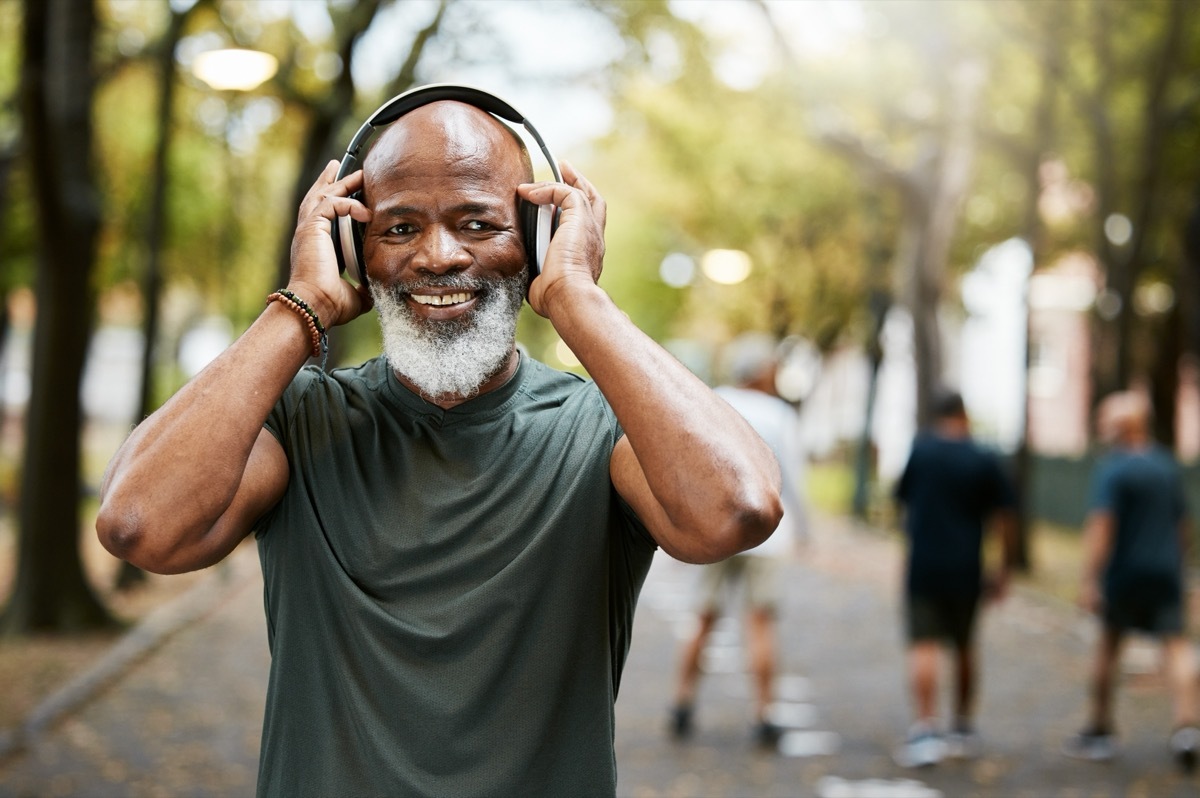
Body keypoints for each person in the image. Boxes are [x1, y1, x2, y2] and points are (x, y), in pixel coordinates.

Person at [95, 87, 783, 798]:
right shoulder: (298, 420)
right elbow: (140, 525)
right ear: (352, 251)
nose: (438, 256)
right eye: (397, 229)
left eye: (477, 222)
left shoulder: (605, 429)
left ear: (537, 239)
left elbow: (737, 509)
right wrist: (303, 305)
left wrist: (576, 296)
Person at [667, 333, 809, 748]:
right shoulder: (780, 413)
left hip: (716, 530)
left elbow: (690, 465)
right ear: (764, 371)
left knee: (702, 618)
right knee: (760, 623)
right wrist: (806, 531)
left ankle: (682, 702)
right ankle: (764, 713)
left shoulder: (710, 400)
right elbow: (794, 479)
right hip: (767, 533)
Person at [1061, 391, 1198, 772]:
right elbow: (1181, 525)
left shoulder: (1113, 469)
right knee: (1175, 646)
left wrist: (1090, 579)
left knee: (1108, 645)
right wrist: (1181, 568)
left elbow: (1102, 525)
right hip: (1165, 570)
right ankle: (1186, 727)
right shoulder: (1166, 466)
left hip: (1124, 574)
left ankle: (1100, 728)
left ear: (1121, 427)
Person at [892, 389, 1017, 768]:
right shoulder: (983, 458)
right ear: (964, 415)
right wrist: (1003, 567)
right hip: (966, 566)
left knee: (923, 644)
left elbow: (902, 502)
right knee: (964, 645)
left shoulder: (921, 451)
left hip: (924, 564)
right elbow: (1004, 517)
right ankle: (962, 726)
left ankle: (926, 727)